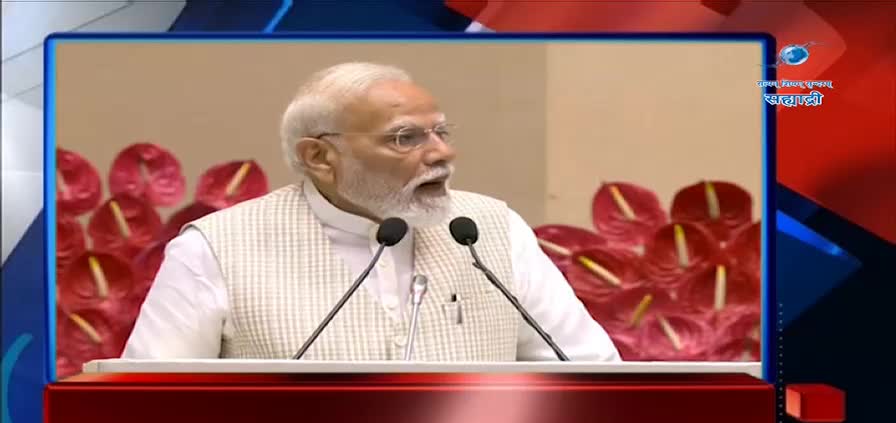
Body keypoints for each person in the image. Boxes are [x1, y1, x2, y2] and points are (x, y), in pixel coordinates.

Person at [121, 62, 621, 362]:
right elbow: (147, 411)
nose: (441, 153)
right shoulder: (215, 248)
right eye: (406, 137)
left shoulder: (490, 230)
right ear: (320, 157)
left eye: (441, 133)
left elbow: (589, 373)